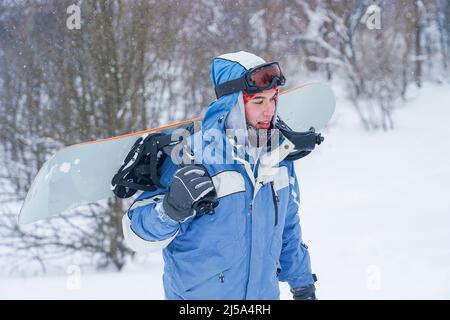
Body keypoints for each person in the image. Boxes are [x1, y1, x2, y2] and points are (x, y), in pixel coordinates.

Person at [122, 51, 317, 300]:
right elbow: (135, 234)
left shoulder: (278, 157)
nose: (269, 110)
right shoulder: (191, 155)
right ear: (232, 104)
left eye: (273, 99)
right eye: (258, 102)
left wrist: (303, 285)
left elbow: (287, 229)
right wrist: (170, 210)